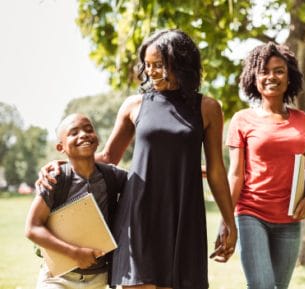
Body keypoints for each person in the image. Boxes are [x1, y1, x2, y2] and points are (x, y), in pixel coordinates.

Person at [37, 29, 237, 289]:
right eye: (148, 65)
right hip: (139, 214)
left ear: (179, 63)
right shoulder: (135, 105)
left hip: (183, 214)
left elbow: (216, 170)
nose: (151, 72)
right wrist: (64, 163)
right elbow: (108, 157)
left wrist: (229, 221)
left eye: (158, 65)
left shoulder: (208, 108)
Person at [226, 42, 305, 289]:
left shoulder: (302, 120)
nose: (271, 77)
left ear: (289, 78)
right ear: (253, 78)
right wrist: (227, 219)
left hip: (289, 219)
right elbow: (235, 174)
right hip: (251, 214)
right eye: (264, 71)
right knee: (262, 286)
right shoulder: (242, 120)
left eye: (279, 71)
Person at [25, 113, 127, 289]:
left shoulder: (112, 176)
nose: (83, 135)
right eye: (74, 133)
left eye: (89, 129)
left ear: (97, 138)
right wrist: (75, 253)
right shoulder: (55, 179)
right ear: (61, 147)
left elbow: (145, 186)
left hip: (99, 279)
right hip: (57, 278)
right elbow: (32, 228)